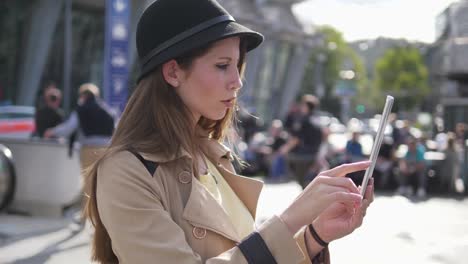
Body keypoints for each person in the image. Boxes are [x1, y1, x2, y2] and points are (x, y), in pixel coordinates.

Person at [83, 0, 374, 263]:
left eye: (238, 65)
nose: (237, 82)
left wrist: (315, 235)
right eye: (222, 65)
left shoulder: (213, 156)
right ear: (172, 72)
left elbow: (240, 255)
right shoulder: (125, 170)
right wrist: (290, 219)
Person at [44, 83, 115, 174]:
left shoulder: (81, 109)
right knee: (103, 179)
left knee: (88, 179)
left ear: (83, 96)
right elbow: (116, 128)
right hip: (105, 150)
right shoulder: (108, 110)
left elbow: (68, 128)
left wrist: (52, 132)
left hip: (89, 149)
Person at [280, 94, 323, 189]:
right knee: (308, 181)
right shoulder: (317, 120)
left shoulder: (303, 120)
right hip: (313, 155)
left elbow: (296, 138)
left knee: (303, 181)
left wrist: (284, 149)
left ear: (306, 106)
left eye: (302, 105)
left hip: (302, 156)